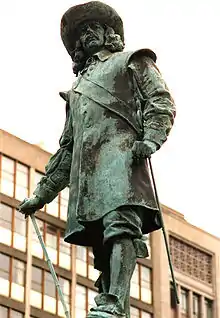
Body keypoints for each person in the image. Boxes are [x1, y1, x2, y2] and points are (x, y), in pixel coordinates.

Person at [18, 1, 176, 317]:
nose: (88, 34)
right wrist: (41, 195)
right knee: (102, 251)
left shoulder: (132, 61)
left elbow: (161, 102)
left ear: (108, 34)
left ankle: (115, 303)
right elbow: (67, 150)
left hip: (122, 164)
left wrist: (151, 139)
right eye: (82, 32)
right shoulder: (75, 90)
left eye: (95, 28)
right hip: (89, 179)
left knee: (121, 228)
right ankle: (111, 302)